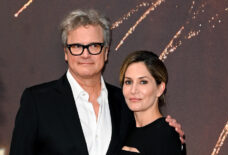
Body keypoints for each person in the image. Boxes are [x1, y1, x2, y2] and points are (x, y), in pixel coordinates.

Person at [10, 9, 185, 155]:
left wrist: (170, 133)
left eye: (94, 46)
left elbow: (151, 137)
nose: (85, 54)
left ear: (106, 52)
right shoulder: (37, 101)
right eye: (77, 46)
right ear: (66, 52)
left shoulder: (125, 103)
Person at [119, 51, 183, 154]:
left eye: (143, 82)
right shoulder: (122, 131)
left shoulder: (166, 134)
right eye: (128, 82)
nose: (133, 90)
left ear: (160, 89)